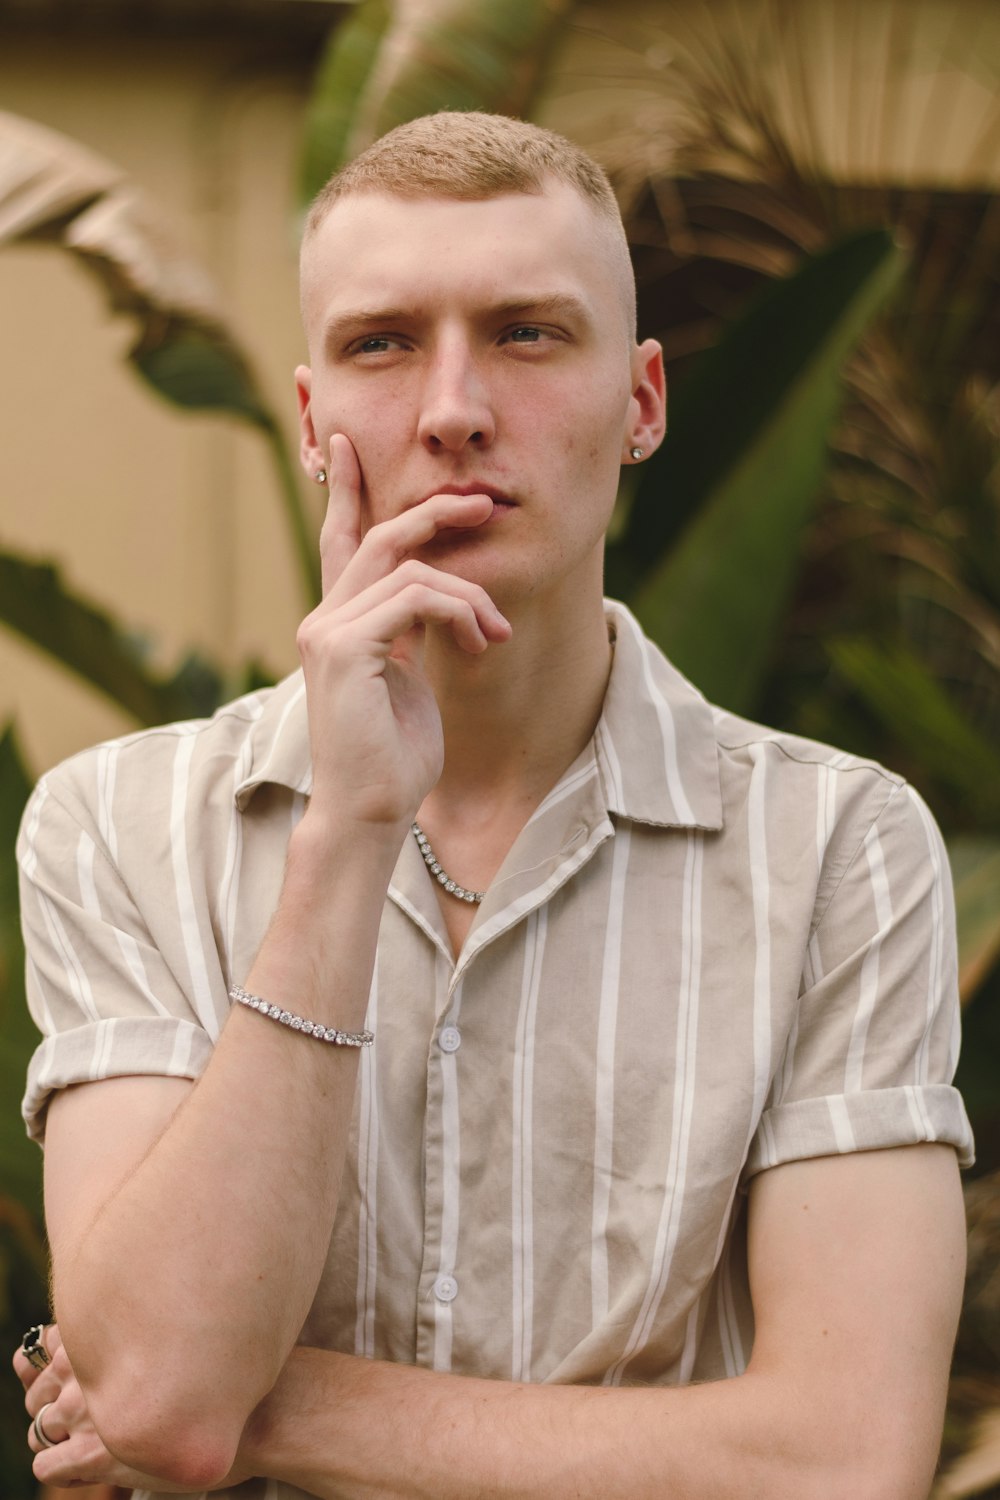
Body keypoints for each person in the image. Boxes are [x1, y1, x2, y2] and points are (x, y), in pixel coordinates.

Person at [14, 112, 973, 1498]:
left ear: (641, 403)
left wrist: (254, 1411)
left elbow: (840, 1459)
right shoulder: (116, 825)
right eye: (381, 343)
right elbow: (161, 1388)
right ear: (309, 419)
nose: (452, 407)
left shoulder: (837, 849)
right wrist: (344, 831)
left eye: (527, 334)